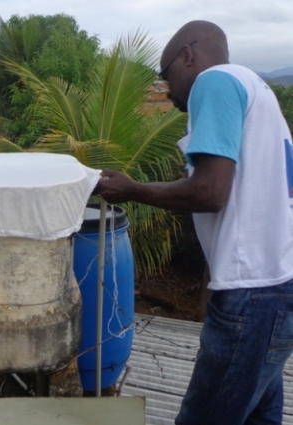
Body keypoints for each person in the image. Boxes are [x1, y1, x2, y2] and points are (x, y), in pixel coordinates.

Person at [96, 20, 293, 425]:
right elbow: (247, 204)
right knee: (258, 416)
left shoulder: (214, 82)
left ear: (188, 55)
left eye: (166, 75)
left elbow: (210, 193)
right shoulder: (258, 90)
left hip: (253, 295)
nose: (166, 90)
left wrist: (133, 190)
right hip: (276, 287)